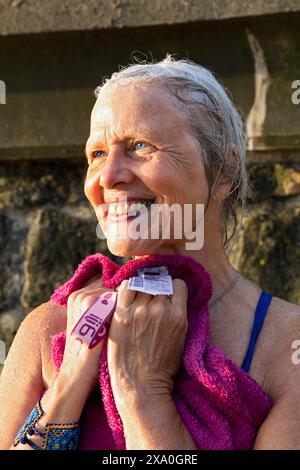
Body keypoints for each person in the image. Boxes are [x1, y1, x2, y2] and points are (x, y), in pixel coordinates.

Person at [0, 54, 300, 450]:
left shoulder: (284, 345)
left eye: (140, 146)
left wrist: (141, 389)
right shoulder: (48, 329)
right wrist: (71, 380)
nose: (107, 177)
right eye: (98, 154)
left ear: (225, 172)